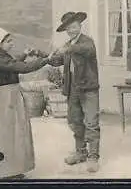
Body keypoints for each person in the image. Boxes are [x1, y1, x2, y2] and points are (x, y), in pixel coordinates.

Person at [0, 27, 51, 179]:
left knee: (13, 134)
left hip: (8, 97)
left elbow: (13, 62)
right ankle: (5, 172)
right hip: (4, 100)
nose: (11, 44)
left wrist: (25, 54)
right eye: (8, 41)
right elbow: (21, 68)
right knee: (5, 134)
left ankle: (12, 168)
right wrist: (46, 60)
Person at [47, 11, 100, 173]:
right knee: (75, 122)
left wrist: (67, 49)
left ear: (80, 26)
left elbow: (86, 50)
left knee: (91, 122)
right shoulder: (69, 45)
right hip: (72, 89)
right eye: (68, 28)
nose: (72, 30)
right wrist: (42, 55)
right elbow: (57, 60)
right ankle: (80, 152)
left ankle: (93, 157)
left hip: (88, 89)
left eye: (74, 27)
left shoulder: (87, 42)